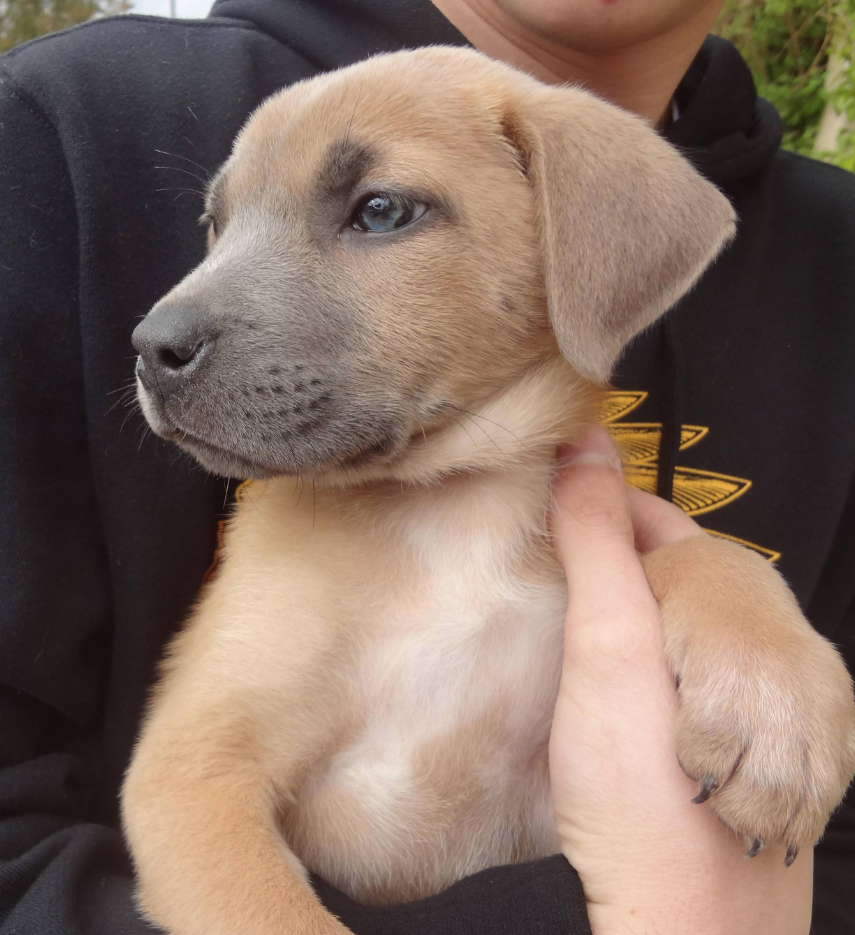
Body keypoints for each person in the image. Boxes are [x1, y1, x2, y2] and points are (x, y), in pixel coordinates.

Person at [0, 0, 853, 932]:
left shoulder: (823, 258)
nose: (172, 319)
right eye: (222, 224)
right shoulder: (66, 123)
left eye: (377, 211)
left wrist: (729, 595)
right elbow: (187, 787)